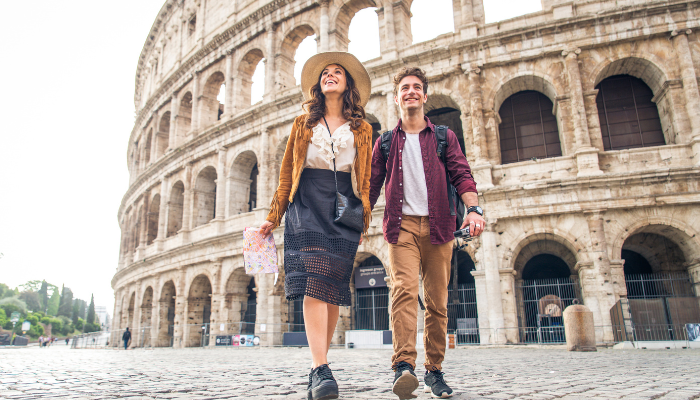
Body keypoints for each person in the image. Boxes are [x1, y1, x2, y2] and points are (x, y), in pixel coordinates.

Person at [259, 51, 373, 400]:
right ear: (318, 85)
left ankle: (319, 367)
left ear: (347, 84)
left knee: (334, 284)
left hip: (343, 207)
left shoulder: (363, 128)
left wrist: (364, 214)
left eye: (337, 72)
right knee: (313, 281)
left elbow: (364, 178)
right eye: (325, 73)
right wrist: (272, 217)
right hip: (306, 201)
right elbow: (285, 175)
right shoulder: (302, 123)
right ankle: (320, 367)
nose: (330, 75)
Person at [369, 67, 486, 399]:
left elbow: (462, 174)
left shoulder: (444, 137)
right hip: (400, 226)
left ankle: (434, 370)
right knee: (403, 290)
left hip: (440, 226)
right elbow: (371, 186)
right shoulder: (387, 142)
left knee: (437, 302)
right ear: (396, 97)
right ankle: (403, 366)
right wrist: (357, 218)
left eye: (416, 87)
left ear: (424, 95)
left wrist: (474, 209)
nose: (410, 92)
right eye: (404, 88)